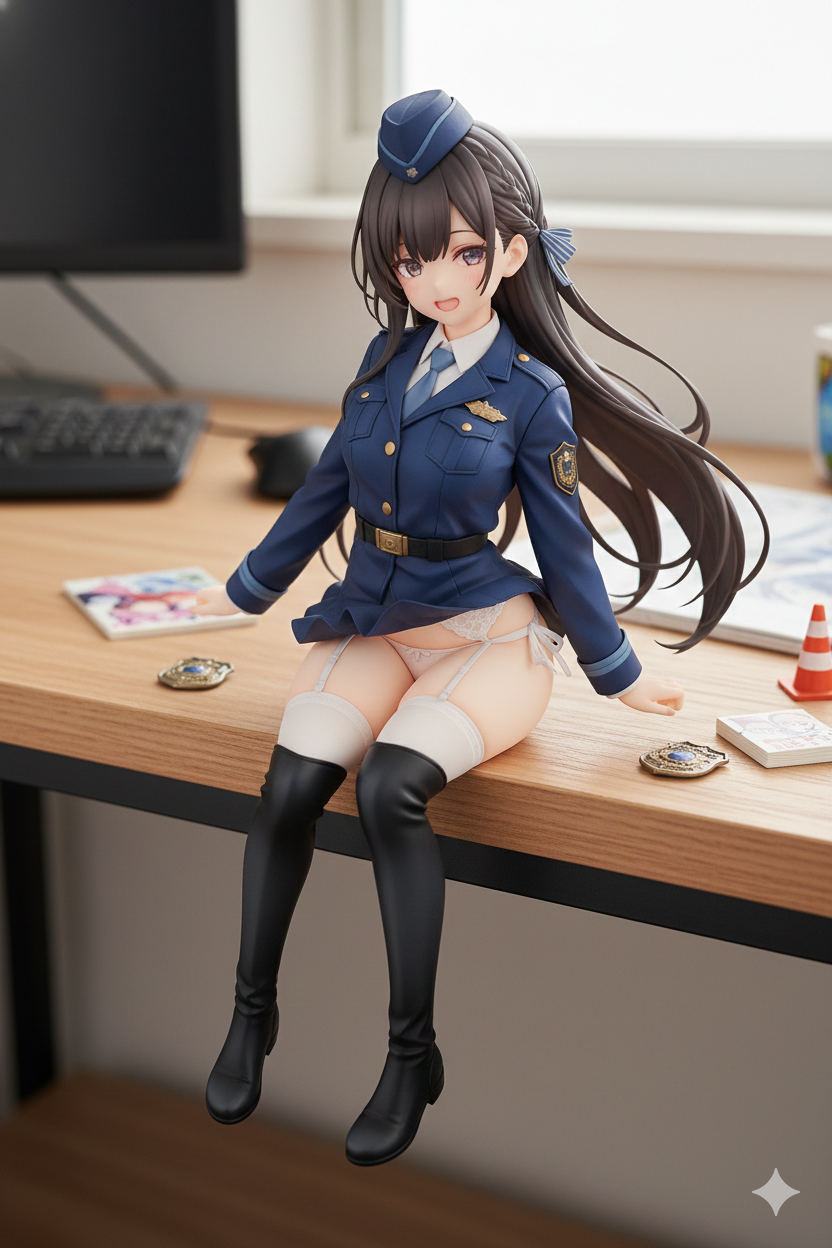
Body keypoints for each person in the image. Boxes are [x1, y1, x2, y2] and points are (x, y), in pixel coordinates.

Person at [193, 91, 767, 1166]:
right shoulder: (382, 367)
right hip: (376, 620)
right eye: (411, 260)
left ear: (509, 252)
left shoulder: (531, 394)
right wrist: (244, 588)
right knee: (290, 783)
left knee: (388, 791)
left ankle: (410, 1053)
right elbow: (324, 491)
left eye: (461, 253)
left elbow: (563, 543)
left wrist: (616, 668)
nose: (437, 280)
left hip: (484, 635)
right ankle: (250, 1013)